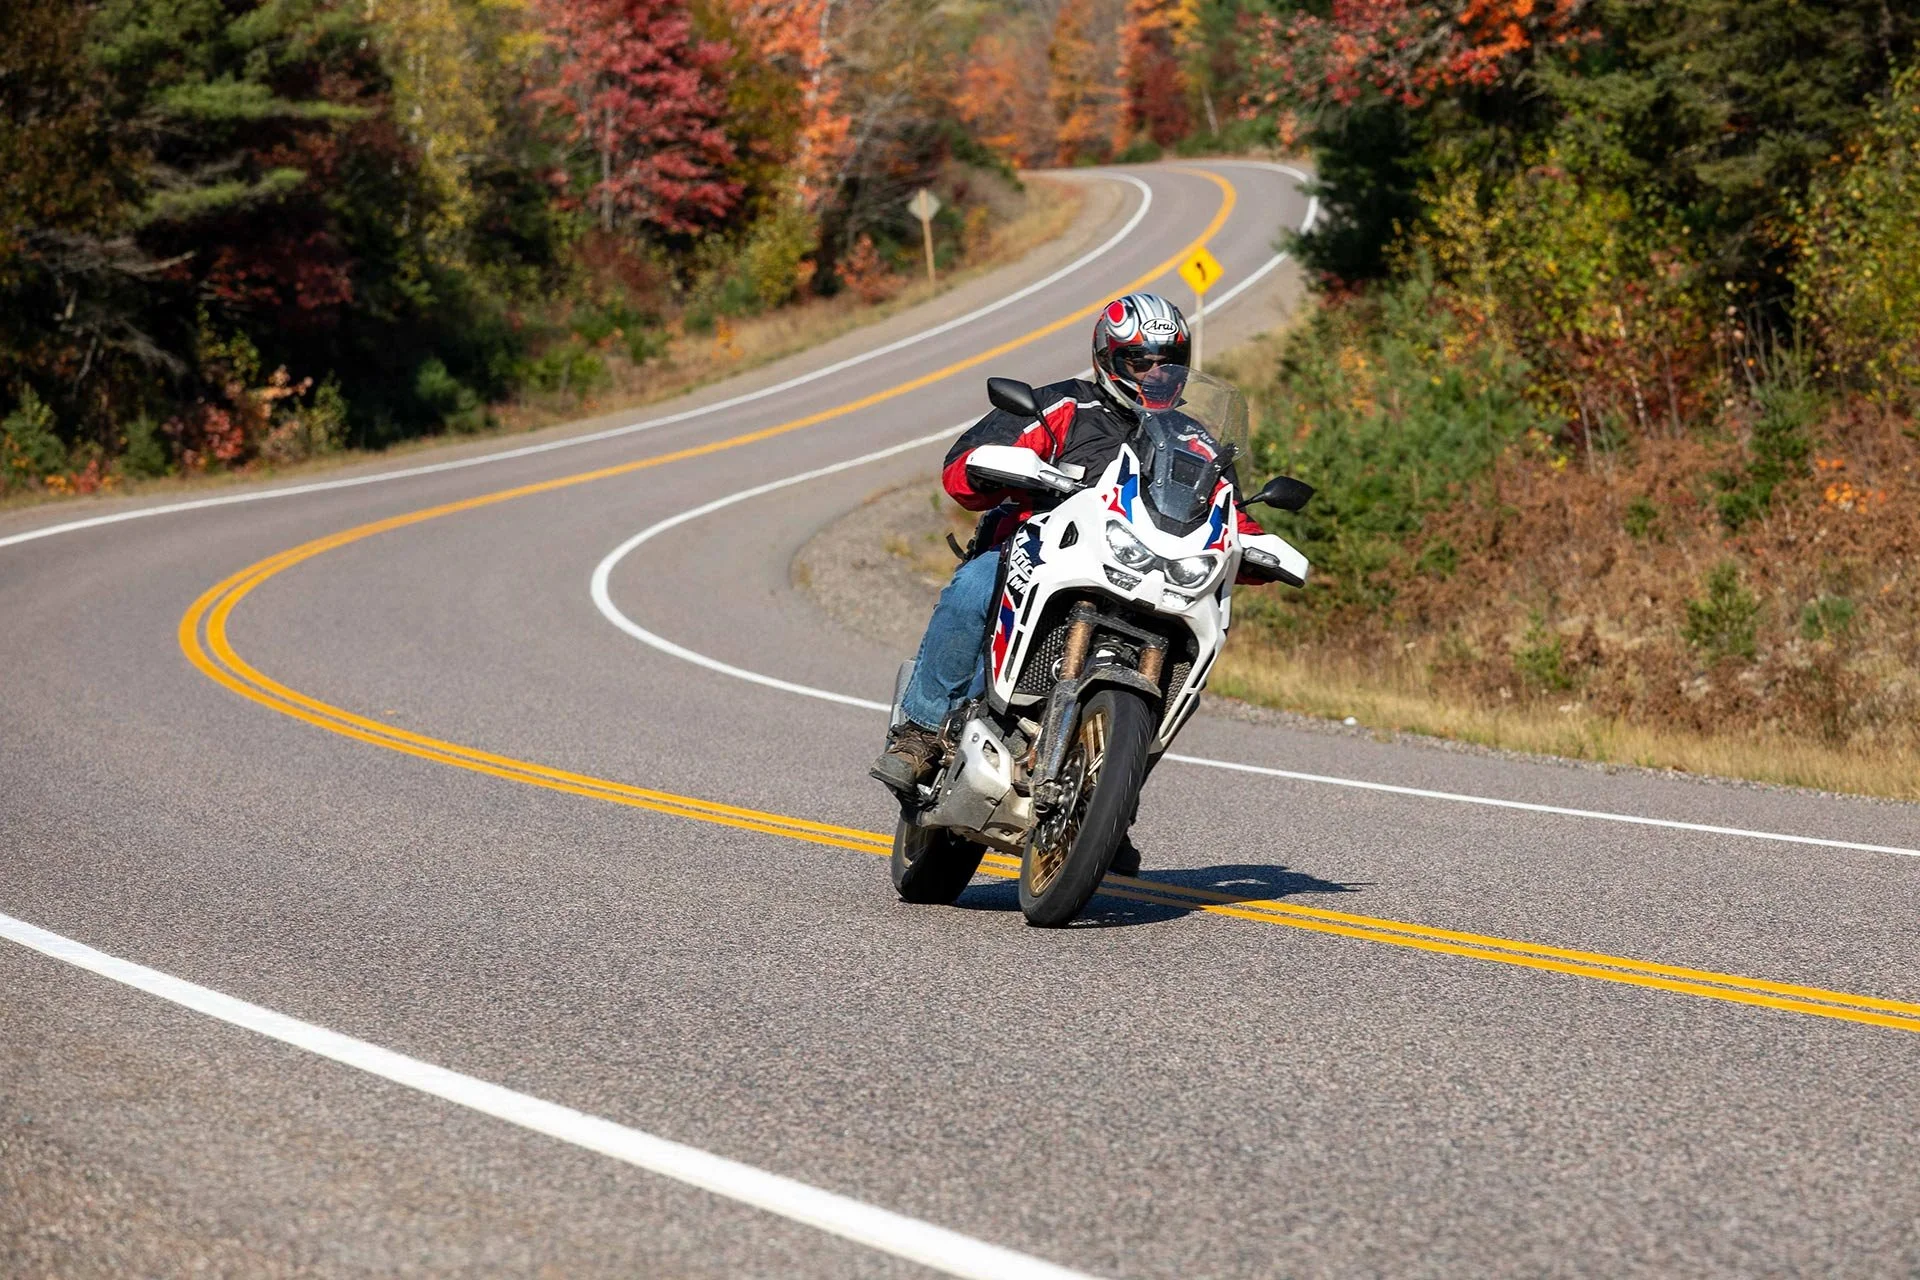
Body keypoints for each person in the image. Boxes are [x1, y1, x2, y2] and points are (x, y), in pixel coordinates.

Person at [870, 293, 1268, 845]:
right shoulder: (1062, 407)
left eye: (1168, 362)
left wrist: (1259, 546)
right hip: (1035, 555)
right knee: (974, 585)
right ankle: (920, 734)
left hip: (1142, 573)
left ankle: (1109, 798)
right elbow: (966, 465)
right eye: (1140, 361)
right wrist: (991, 468)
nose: (1156, 374)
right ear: (1108, 357)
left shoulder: (1193, 440)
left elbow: (1224, 511)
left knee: (1186, 663)